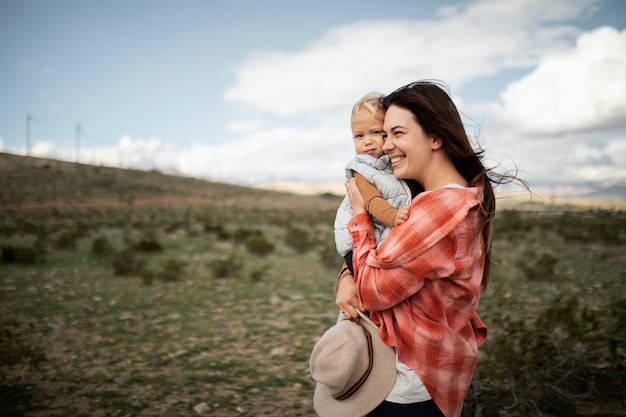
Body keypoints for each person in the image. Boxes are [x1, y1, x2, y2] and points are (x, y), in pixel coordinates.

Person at [334, 80, 523, 417]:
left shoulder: (439, 210)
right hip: (419, 372)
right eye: (383, 134)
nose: (385, 145)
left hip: (410, 382)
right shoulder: (442, 198)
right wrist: (347, 274)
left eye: (397, 133)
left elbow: (374, 291)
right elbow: (381, 262)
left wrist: (361, 215)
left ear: (436, 137)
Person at [334, 92, 418, 275]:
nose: (367, 142)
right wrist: (394, 216)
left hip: (375, 234)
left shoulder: (392, 163)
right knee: (370, 281)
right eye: (359, 136)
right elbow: (372, 202)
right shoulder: (362, 169)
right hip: (353, 243)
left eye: (375, 132)